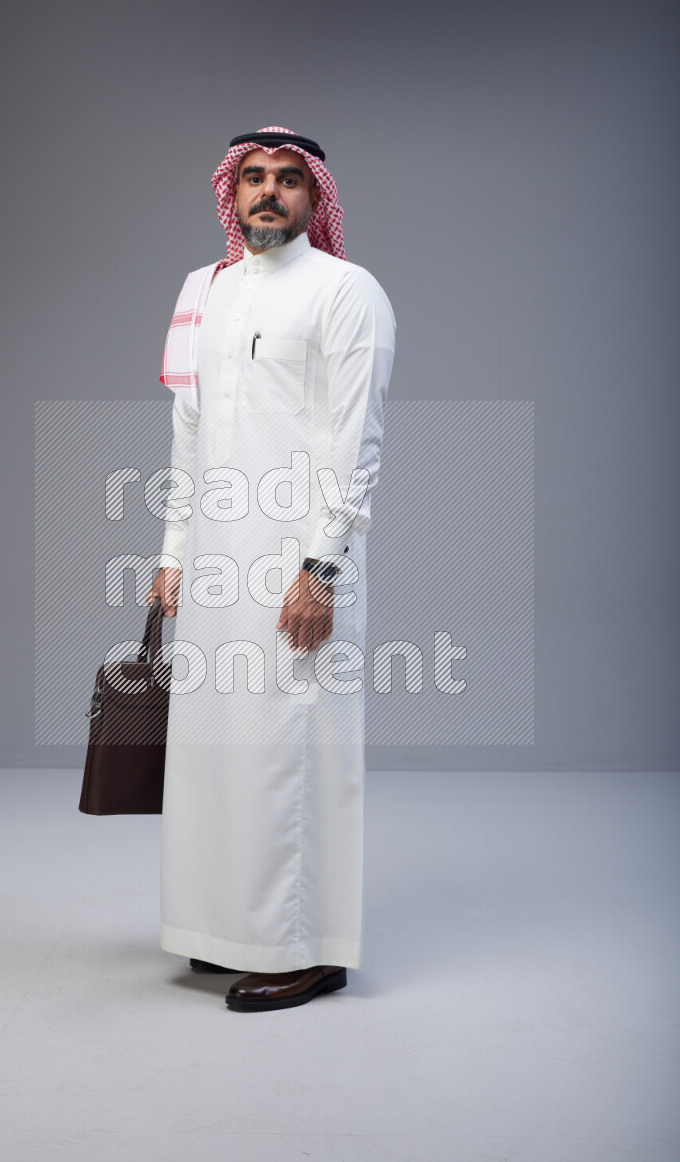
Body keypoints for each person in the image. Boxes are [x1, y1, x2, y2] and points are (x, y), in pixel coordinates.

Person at [148, 126, 396, 1012]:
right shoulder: (201, 291)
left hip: (299, 563)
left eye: (289, 180)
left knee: (296, 750)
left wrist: (322, 568)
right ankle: (226, 931)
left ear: (314, 196)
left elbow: (356, 438)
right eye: (253, 177)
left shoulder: (346, 292)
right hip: (217, 566)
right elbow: (188, 428)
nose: (268, 193)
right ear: (231, 191)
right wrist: (174, 554)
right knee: (221, 755)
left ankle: (308, 946)